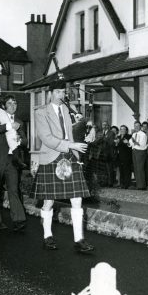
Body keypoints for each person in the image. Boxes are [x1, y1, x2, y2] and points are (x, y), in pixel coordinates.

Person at [31, 79, 94, 253]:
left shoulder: (66, 109)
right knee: (49, 201)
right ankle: (47, 236)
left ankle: (79, 239)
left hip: (69, 156)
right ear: (50, 93)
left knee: (76, 199)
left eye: (63, 92)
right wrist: (71, 145)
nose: (61, 95)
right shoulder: (41, 112)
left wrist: (88, 126)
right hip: (51, 157)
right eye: (58, 92)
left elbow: (77, 127)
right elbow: (47, 138)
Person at [0, 95, 27, 231]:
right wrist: (9, 126)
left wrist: (19, 140)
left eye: (15, 103)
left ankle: (19, 220)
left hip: (12, 161)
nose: (12, 106)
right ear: (4, 106)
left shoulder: (19, 121)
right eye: (9, 103)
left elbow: (25, 141)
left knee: (13, 190)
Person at [129, 121, 147, 190]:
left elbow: (142, 144)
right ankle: (138, 184)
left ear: (140, 127)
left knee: (140, 168)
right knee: (136, 168)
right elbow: (131, 143)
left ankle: (142, 185)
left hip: (140, 152)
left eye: (137, 126)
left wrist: (134, 142)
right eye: (135, 126)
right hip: (134, 151)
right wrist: (132, 142)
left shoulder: (143, 134)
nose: (136, 127)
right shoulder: (134, 134)